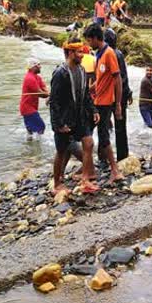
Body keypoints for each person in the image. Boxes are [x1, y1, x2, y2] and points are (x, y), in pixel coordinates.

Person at [49, 41, 100, 195]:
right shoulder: (60, 73)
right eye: (79, 52)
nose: (82, 55)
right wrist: (58, 124)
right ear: (70, 53)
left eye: (82, 51)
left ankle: (85, 180)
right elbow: (54, 101)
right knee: (61, 150)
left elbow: (85, 95)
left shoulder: (82, 70)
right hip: (64, 119)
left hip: (80, 115)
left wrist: (93, 110)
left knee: (89, 143)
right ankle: (57, 183)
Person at [84, 25, 124, 183]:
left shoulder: (109, 54)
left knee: (102, 135)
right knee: (87, 132)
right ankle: (88, 168)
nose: (88, 44)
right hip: (97, 100)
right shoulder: (99, 54)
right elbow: (102, 78)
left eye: (88, 40)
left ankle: (115, 170)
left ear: (95, 38)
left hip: (105, 103)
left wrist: (118, 104)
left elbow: (117, 79)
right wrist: (90, 88)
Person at [104, 27, 133, 161]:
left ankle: (103, 155)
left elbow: (120, 78)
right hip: (119, 96)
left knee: (104, 126)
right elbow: (124, 78)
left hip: (110, 96)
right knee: (120, 127)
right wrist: (128, 93)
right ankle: (122, 155)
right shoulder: (118, 54)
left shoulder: (108, 54)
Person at [20, 58, 50, 139]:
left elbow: (44, 88)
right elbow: (41, 94)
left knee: (30, 132)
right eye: (38, 65)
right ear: (33, 67)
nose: (40, 67)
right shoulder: (29, 78)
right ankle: (37, 146)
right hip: (27, 109)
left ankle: (30, 147)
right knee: (41, 127)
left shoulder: (37, 77)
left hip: (31, 107)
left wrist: (47, 93)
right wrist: (49, 95)